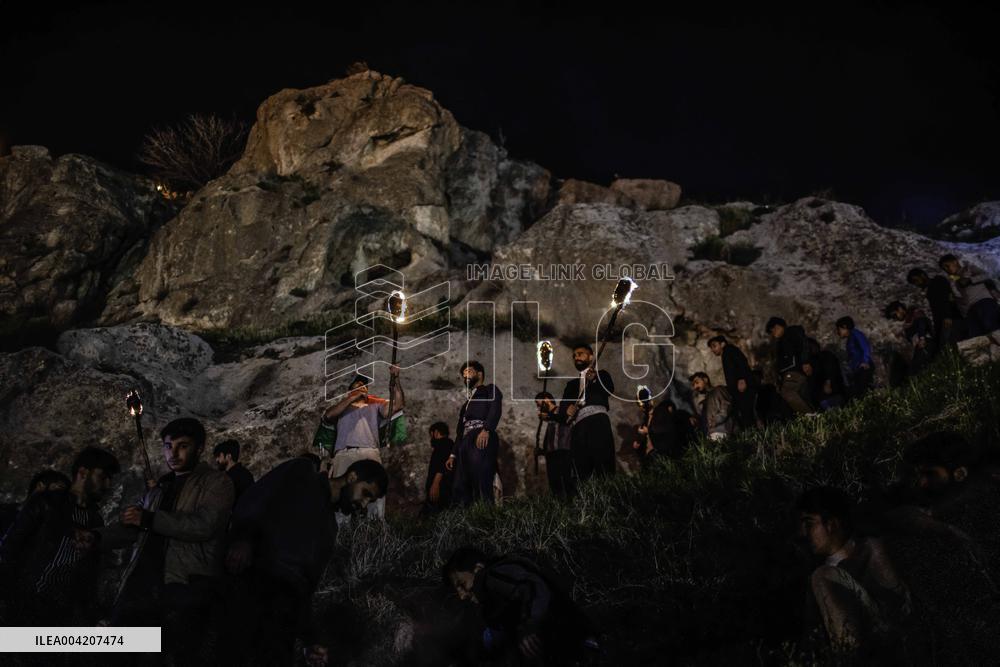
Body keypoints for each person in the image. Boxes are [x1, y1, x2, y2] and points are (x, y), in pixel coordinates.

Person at [224, 456, 388, 665]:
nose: (363, 504)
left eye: (370, 501)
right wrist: (244, 539)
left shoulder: (330, 529)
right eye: (365, 493)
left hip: (282, 619)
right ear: (352, 477)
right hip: (251, 590)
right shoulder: (302, 474)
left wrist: (310, 641)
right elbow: (258, 499)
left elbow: (304, 589)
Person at [101, 417, 234, 662]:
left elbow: (205, 525)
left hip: (182, 586)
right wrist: (95, 537)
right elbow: (134, 528)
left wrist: (150, 519)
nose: (172, 453)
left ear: (200, 448)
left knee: (168, 656)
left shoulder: (217, 482)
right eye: (167, 445)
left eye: (182, 445)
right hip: (141, 585)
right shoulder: (159, 489)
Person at [0, 448, 118, 626]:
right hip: (26, 602)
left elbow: (88, 574)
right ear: (83, 473)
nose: (108, 485)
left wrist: (93, 615)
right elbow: (10, 547)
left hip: (58, 611)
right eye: (103, 477)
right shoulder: (47, 502)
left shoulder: (95, 520)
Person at [796, 487, 911, 657]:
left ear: (831, 524)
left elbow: (899, 606)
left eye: (809, 524)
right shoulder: (814, 570)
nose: (803, 533)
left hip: (891, 641)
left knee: (823, 575)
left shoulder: (871, 548)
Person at [442, 547, 598, 665]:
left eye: (462, 584)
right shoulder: (493, 602)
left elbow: (532, 586)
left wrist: (530, 626)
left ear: (478, 568)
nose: (462, 595)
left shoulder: (492, 575)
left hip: (571, 641)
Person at [322, 367, 403, 520]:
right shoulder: (341, 406)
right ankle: (339, 535)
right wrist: (352, 398)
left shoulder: (375, 405)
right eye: (358, 384)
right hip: (344, 453)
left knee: (374, 497)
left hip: (369, 452)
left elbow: (397, 405)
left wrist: (396, 380)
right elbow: (328, 415)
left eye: (364, 385)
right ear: (350, 388)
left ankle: (375, 532)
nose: (362, 386)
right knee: (341, 497)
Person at [556, 344, 616, 487]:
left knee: (603, 464)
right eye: (574, 355)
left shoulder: (602, 375)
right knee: (581, 469)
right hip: (579, 428)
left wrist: (595, 379)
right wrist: (567, 408)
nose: (576, 357)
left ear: (590, 356)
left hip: (598, 422)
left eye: (580, 354)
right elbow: (564, 404)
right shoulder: (571, 385)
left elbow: (609, 390)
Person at [447, 361, 503, 506]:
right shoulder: (467, 403)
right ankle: (465, 521)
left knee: (481, 479)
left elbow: (495, 408)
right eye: (463, 374)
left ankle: (485, 517)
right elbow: (460, 430)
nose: (465, 375)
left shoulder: (490, 389)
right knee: (460, 484)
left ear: (479, 374)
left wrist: (486, 429)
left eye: (469, 371)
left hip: (480, 435)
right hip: (465, 441)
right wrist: (453, 454)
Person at [939, 254, 1000, 338]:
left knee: (993, 329)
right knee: (979, 337)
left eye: (947, 266)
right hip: (970, 311)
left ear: (955, 262)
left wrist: (970, 280)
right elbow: (961, 301)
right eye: (944, 269)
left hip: (984, 302)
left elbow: (986, 275)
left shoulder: (968, 268)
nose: (946, 269)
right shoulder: (953, 281)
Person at [765, 316, 816, 414]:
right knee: (802, 398)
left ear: (777, 327)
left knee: (787, 392)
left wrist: (805, 362)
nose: (772, 333)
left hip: (794, 371)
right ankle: (816, 420)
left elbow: (803, 345)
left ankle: (810, 417)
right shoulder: (782, 341)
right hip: (793, 372)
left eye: (772, 330)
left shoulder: (790, 333)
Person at [0, 469, 71, 537]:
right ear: (39, 486)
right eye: (59, 488)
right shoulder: (4, 511)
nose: (60, 496)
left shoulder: (47, 533)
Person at [708, 335, 758, 430]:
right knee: (744, 413)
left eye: (714, 346)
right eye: (711, 347)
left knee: (747, 413)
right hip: (738, 389)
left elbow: (742, 362)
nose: (712, 349)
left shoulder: (729, 350)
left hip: (743, 388)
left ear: (722, 344)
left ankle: (753, 435)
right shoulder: (726, 353)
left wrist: (742, 379)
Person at [907, 267, 964, 347]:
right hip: (942, 322)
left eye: (916, 280)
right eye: (914, 283)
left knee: (952, 345)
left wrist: (947, 316)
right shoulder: (928, 291)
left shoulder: (938, 281)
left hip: (950, 319)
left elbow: (946, 298)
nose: (917, 284)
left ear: (922, 275)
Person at [883, 301, 935, 378]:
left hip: (925, 343)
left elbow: (922, 322)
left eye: (894, 315)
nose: (895, 318)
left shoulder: (914, 313)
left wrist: (922, 338)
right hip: (920, 346)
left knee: (913, 372)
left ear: (900, 309)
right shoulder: (908, 322)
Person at [536, 392, 573, 496]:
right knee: (555, 484)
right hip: (552, 455)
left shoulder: (561, 410)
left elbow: (565, 419)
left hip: (564, 451)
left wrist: (549, 415)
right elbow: (550, 439)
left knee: (568, 481)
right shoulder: (548, 418)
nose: (539, 408)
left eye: (539, 404)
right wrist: (542, 450)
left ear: (547, 400)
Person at [835, 316, 875, 400]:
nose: (838, 332)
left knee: (860, 392)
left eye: (839, 329)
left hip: (863, 367)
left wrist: (865, 361)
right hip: (858, 368)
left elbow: (865, 347)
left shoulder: (856, 334)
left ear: (845, 327)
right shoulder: (850, 339)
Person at [803, 338, 846, 411]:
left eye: (810, 347)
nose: (810, 349)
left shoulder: (826, 355)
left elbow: (831, 369)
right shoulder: (812, 360)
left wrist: (828, 382)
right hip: (823, 398)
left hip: (833, 394)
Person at [689, 372, 733, 441]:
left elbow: (726, 406)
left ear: (705, 380)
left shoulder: (719, 390)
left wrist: (715, 420)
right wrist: (695, 418)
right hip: (709, 434)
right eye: (693, 384)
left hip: (721, 431)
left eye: (697, 382)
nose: (695, 386)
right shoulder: (703, 400)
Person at [424, 422, 455, 513]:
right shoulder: (447, 444)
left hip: (442, 489)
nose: (431, 439)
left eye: (431, 435)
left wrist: (435, 484)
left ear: (436, 432)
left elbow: (442, 465)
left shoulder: (445, 444)